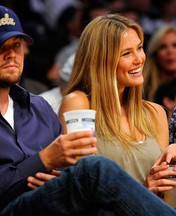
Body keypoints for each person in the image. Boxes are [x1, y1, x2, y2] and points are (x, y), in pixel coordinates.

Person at [0, 5, 176, 216]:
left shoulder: (38, 107)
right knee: (94, 168)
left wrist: (55, 181)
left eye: (16, 45)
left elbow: (70, 178)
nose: (11, 55)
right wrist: (40, 163)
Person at [58, 13, 176, 198]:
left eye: (139, 48)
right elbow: (82, 187)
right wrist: (143, 191)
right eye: (127, 53)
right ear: (101, 60)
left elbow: (163, 194)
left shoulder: (155, 113)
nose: (139, 59)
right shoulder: (79, 103)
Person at [143, 25, 176, 101]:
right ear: (155, 54)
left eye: (175, 45)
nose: (170, 51)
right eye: (163, 47)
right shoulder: (143, 91)